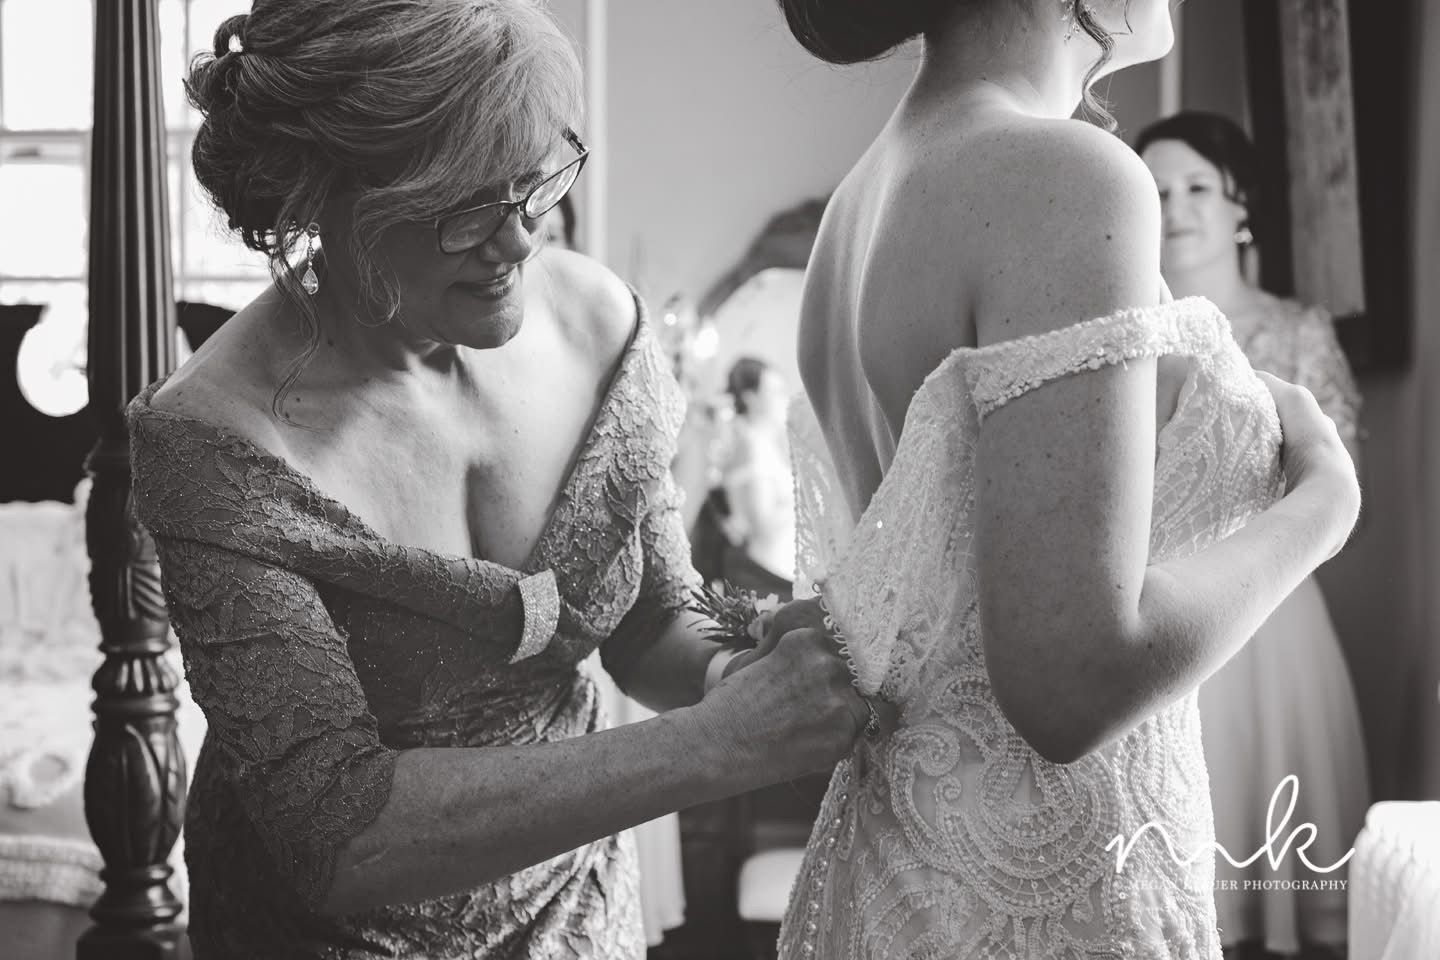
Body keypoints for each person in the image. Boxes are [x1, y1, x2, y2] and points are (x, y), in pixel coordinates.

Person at [126, 2, 879, 957]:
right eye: (465, 208)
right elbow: (340, 833)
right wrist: (719, 743)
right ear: (323, 199)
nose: (521, 239)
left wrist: (739, 669)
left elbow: (650, 616)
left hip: (578, 911)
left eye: (532, 183)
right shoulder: (216, 441)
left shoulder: (596, 322)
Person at [760, 1, 1362, 957]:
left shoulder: (861, 200)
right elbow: (1072, 678)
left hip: (901, 864)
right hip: (1045, 890)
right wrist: (1325, 503)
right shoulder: (1060, 176)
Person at [1138, 110, 1370, 959]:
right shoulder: (1125, 336)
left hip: (1273, 614)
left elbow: (1342, 490)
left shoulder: (1296, 331)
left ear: (1241, 206)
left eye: (1199, 185)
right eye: (1157, 189)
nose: (1177, 205)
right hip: (1152, 604)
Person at [716, 356, 798, 597]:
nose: (785, 400)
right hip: (766, 576)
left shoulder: (764, 444)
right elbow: (762, 524)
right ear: (750, 398)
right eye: (776, 392)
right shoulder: (752, 446)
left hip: (781, 567)